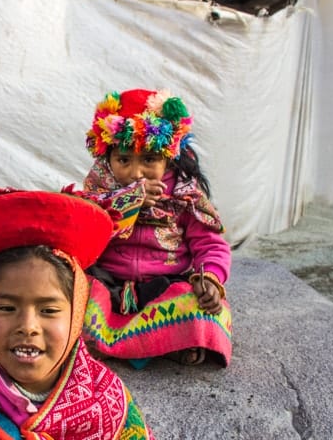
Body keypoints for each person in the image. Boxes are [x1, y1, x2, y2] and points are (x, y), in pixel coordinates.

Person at [0, 187, 155, 439]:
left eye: (48, 310)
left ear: (77, 313)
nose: (28, 326)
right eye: (6, 308)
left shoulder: (107, 402)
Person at [81, 88, 232, 369]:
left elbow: (210, 244)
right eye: (124, 160)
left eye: (149, 159)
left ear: (169, 158)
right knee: (72, 297)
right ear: (108, 158)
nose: (136, 173)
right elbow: (83, 235)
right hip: (108, 284)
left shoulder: (185, 193)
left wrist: (209, 279)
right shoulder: (99, 187)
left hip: (165, 286)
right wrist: (125, 205)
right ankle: (160, 344)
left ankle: (109, 344)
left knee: (204, 309)